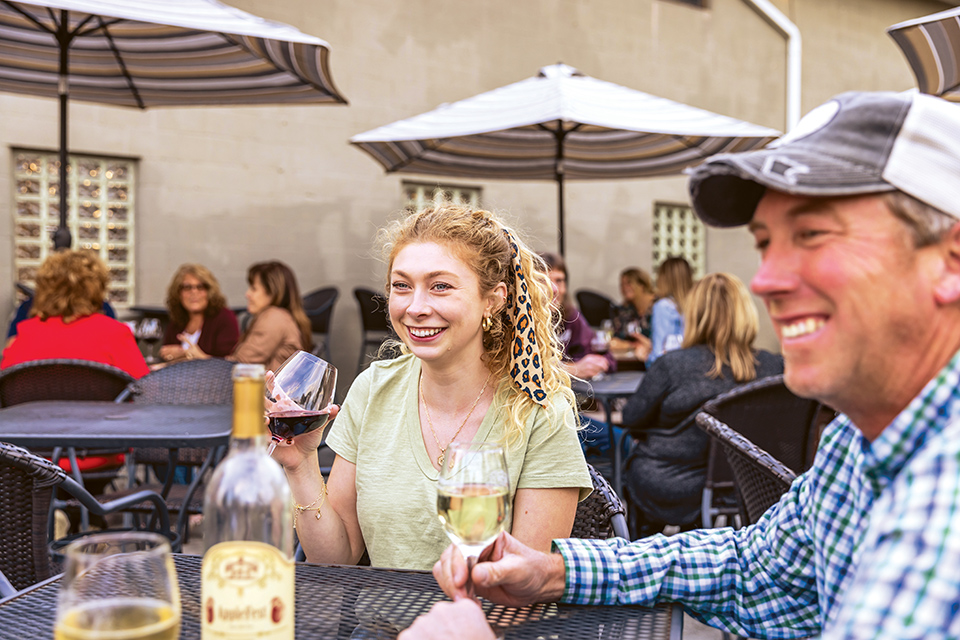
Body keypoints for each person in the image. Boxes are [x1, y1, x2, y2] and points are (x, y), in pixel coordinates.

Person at [417, 91, 960, 640]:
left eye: (813, 235)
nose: (766, 280)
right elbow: (753, 565)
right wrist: (555, 571)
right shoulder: (862, 436)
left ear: (950, 259)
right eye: (766, 244)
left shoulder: (943, 501)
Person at [272, 204, 592, 570]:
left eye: (440, 286)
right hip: (382, 625)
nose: (416, 307)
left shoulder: (538, 410)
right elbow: (335, 559)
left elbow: (527, 591)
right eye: (402, 286)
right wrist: (302, 466)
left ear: (493, 299)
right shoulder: (373, 389)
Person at [622, 272, 783, 537]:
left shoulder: (673, 366)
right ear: (747, 313)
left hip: (672, 481)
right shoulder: (774, 368)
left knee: (632, 461)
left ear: (694, 315)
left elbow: (632, 417)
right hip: (750, 485)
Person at [1, 249, 148, 379]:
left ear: (44, 289)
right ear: (97, 287)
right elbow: (146, 391)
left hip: (37, 410)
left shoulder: (24, 336)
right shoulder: (115, 334)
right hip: (98, 410)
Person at [186, 261, 311, 373]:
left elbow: (239, 366)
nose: (247, 294)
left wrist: (201, 358)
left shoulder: (274, 318)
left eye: (254, 289)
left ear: (272, 292)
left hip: (266, 397)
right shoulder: (280, 317)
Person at [539, 252, 616, 380]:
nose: (554, 289)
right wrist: (573, 369)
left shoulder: (570, 316)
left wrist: (595, 364)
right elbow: (523, 370)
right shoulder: (519, 319)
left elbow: (604, 357)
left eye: (559, 281)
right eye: (544, 281)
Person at [158, 263, 239, 362]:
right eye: (187, 287)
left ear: (209, 292)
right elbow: (167, 356)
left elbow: (226, 366)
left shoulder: (225, 318)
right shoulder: (176, 321)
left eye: (200, 287)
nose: (194, 292)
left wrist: (187, 354)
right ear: (178, 293)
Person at [647, 256, 694, 365]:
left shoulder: (663, 306)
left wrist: (645, 357)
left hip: (670, 371)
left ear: (664, 279)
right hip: (693, 368)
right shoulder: (697, 306)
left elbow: (658, 355)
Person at [610, 267, 654, 357]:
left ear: (642, 285)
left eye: (629, 283)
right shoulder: (623, 311)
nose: (624, 288)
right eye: (622, 285)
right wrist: (633, 345)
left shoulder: (660, 306)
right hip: (632, 359)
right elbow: (615, 340)